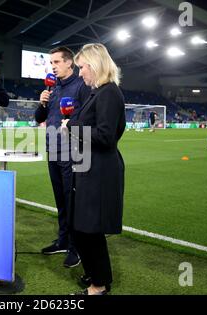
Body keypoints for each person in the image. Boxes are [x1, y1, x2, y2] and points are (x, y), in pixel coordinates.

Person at [61, 43, 125, 295]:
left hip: (100, 171)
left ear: (95, 65)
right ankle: (96, 277)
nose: (80, 73)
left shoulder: (109, 93)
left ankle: (98, 287)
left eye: (82, 67)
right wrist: (71, 122)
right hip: (89, 167)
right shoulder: (97, 92)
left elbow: (106, 136)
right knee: (82, 229)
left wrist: (72, 128)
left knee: (90, 230)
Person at [34, 47, 91, 268]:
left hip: (73, 152)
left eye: (57, 62)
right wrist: (43, 102)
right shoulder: (53, 88)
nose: (53, 66)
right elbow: (40, 117)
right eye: (52, 62)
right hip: (53, 149)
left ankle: (76, 248)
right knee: (61, 200)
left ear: (70, 63)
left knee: (72, 201)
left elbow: (86, 119)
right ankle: (63, 240)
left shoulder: (81, 86)